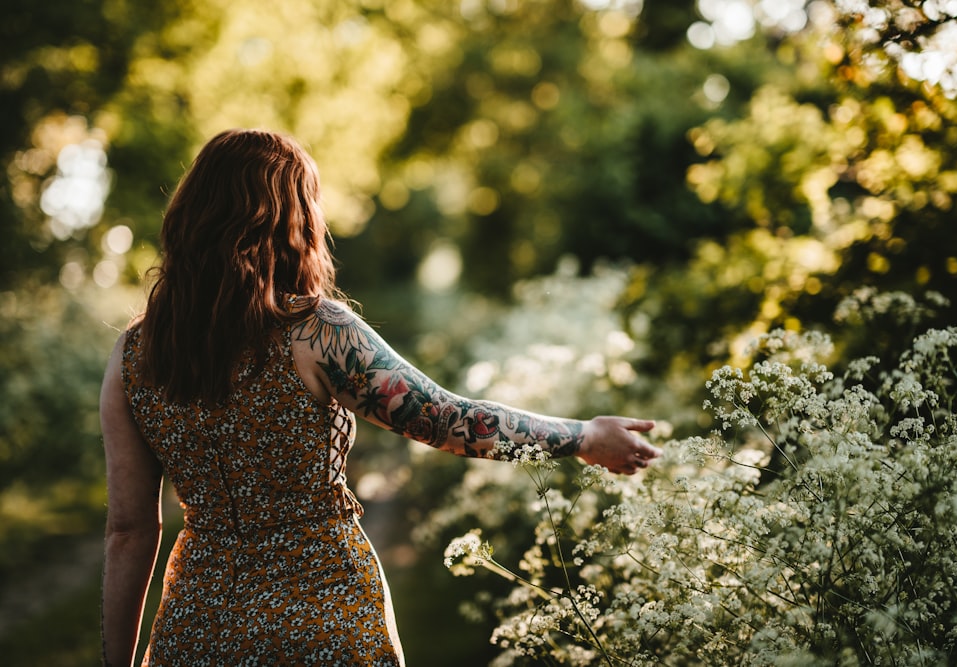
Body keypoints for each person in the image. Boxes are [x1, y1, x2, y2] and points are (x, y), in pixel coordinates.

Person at [100, 128, 660, 666]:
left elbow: (129, 531)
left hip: (201, 629)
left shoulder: (135, 355)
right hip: (325, 616)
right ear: (291, 220)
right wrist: (583, 436)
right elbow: (447, 420)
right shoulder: (316, 332)